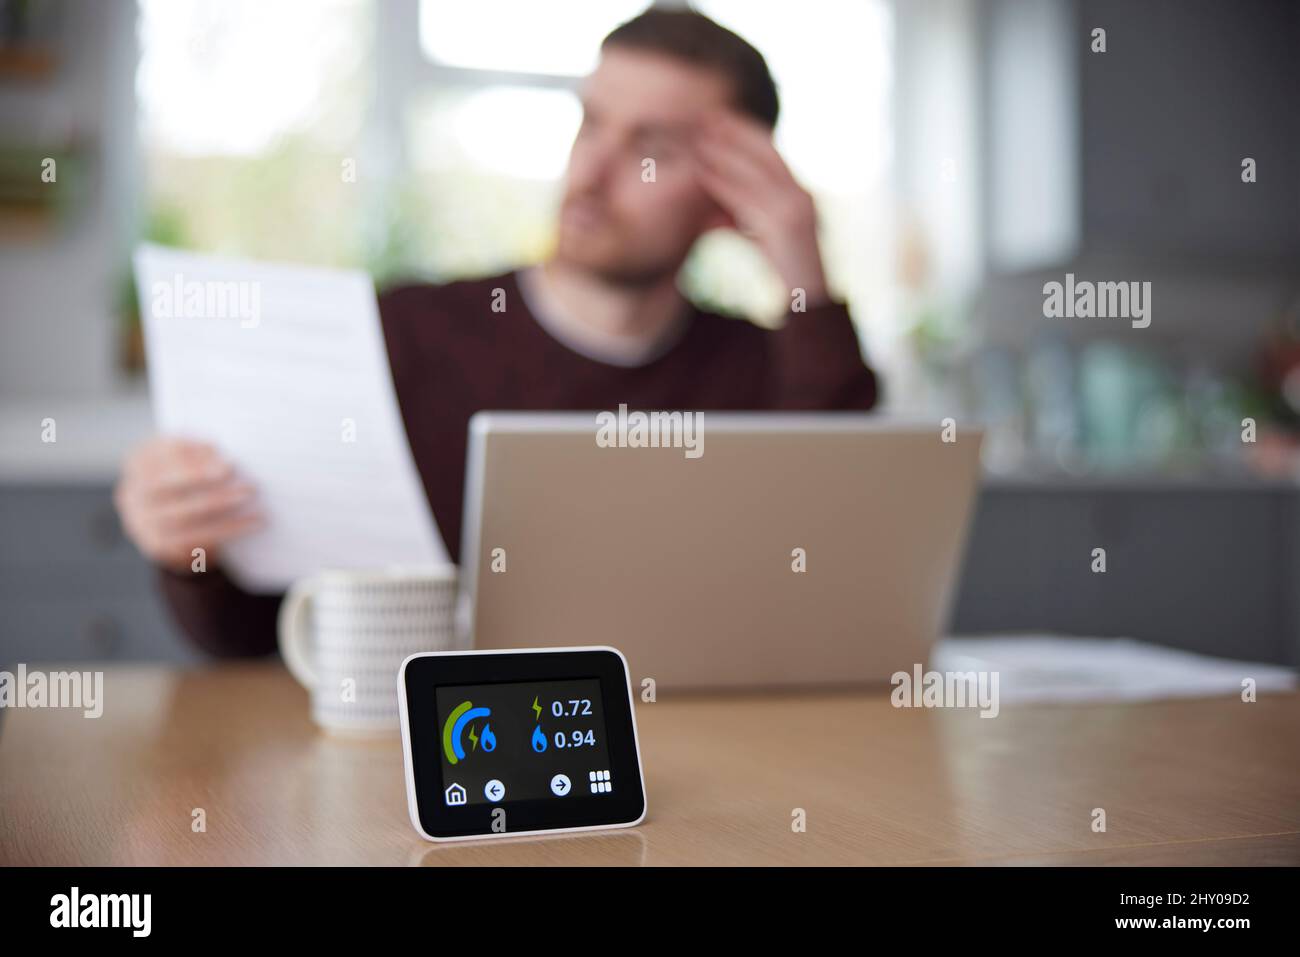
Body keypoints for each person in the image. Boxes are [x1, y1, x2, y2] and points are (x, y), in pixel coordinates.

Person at [113, 8, 880, 657]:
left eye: (652, 150)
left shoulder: (759, 371)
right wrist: (191, 548)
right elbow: (246, 639)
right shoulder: (397, 335)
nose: (592, 170)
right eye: (591, 123)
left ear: (727, 203)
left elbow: (845, 573)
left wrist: (804, 270)